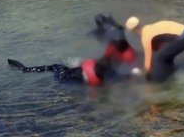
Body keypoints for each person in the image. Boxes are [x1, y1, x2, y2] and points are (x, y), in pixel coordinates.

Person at [8, 14, 137, 86]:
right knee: (56, 67)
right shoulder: (116, 52)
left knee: (55, 67)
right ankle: (24, 69)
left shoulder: (118, 53)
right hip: (77, 74)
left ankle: (24, 69)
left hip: (68, 76)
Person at [124, 17, 184, 83]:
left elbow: (148, 60)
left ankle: (161, 82)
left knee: (158, 58)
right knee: (162, 55)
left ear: (134, 31)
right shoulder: (149, 28)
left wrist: (147, 75)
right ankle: (170, 72)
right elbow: (159, 45)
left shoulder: (146, 37)